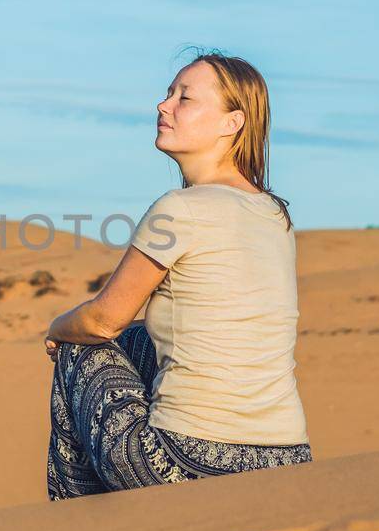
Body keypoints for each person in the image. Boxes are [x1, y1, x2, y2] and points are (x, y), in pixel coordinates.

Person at [45, 48, 314, 500]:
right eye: (168, 93)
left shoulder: (180, 209)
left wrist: (57, 327)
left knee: (80, 344)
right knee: (135, 341)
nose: (163, 105)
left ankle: (78, 523)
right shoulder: (274, 213)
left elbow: (102, 320)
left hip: (186, 460)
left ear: (233, 122)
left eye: (184, 98)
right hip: (286, 458)